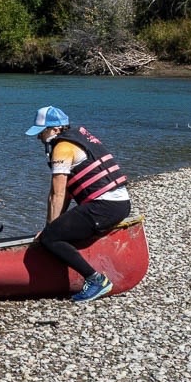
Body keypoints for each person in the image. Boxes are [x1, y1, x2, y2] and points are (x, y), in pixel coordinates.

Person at [27, 105, 131, 303]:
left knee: (51, 238)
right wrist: (56, 224)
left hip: (105, 206)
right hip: (120, 204)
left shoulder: (62, 148)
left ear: (56, 129)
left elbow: (57, 193)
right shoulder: (79, 139)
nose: (39, 137)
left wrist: (49, 230)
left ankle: (96, 280)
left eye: (42, 132)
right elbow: (66, 194)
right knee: (58, 230)